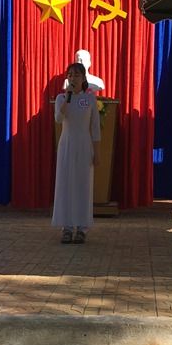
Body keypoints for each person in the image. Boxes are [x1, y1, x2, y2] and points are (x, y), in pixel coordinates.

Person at [52, 62, 101, 244]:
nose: (73, 78)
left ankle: (81, 228)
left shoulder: (90, 99)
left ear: (83, 78)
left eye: (77, 75)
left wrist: (97, 153)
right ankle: (66, 227)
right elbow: (58, 119)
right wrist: (68, 97)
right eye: (70, 75)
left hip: (84, 145)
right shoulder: (61, 98)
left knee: (83, 185)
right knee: (65, 184)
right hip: (66, 145)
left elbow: (95, 128)